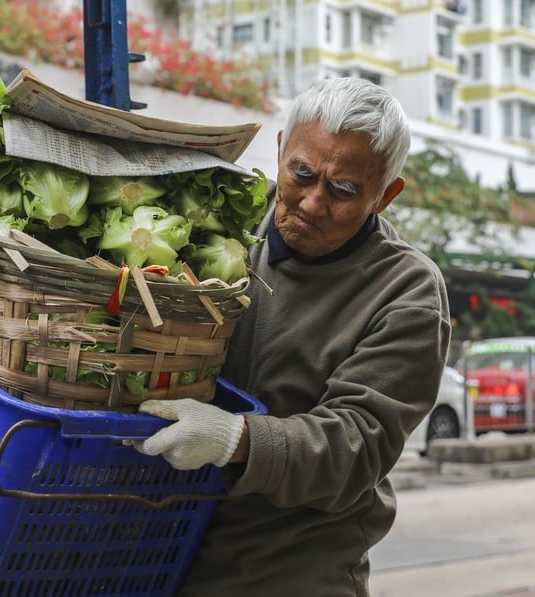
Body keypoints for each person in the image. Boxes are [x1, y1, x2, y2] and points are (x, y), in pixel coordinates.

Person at [132, 77, 451, 596]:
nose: (312, 202)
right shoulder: (223, 225)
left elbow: (357, 444)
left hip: (291, 570)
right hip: (161, 549)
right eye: (301, 173)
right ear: (281, 149)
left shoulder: (407, 292)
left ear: (386, 195)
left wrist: (237, 440)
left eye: (344, 189)